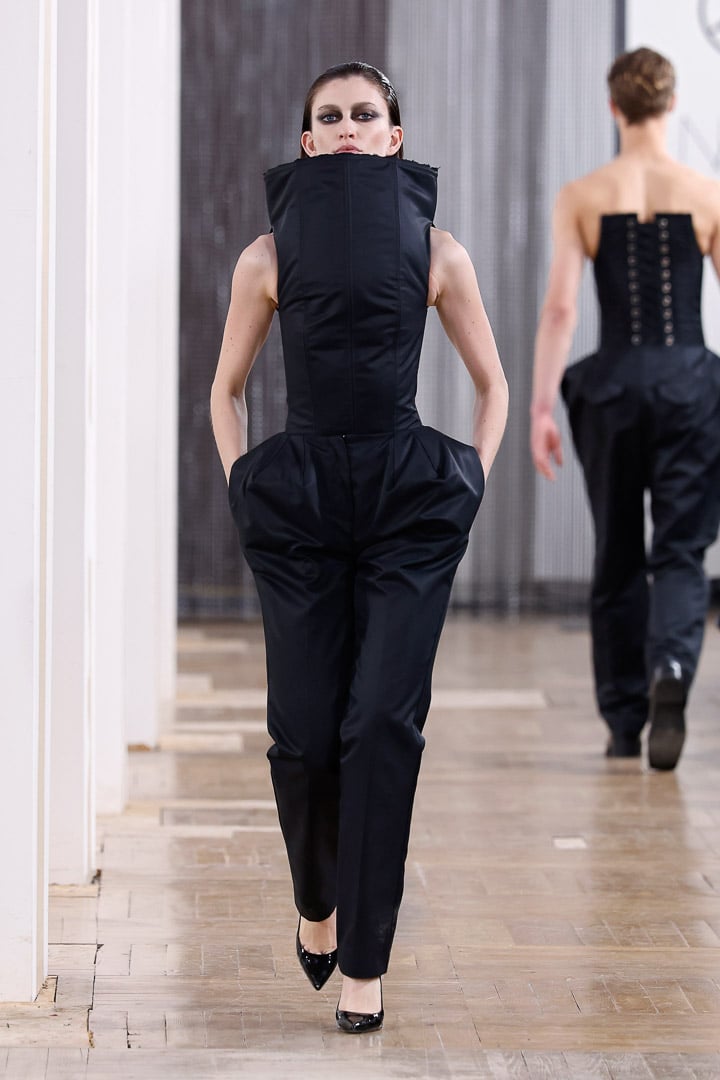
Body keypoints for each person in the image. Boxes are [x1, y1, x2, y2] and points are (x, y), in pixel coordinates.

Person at [210, 61, 508, 1032]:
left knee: (381, 724)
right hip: (299, 504)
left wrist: (469, 482)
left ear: (394, 138)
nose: (347, 126)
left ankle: (365, 964)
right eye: (329, 116)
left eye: (365, 114)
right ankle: (316, 903)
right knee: (302, 735)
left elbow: (493, 385)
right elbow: (225, 390)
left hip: (406, 503)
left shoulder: (436, 250)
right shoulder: (266, 257)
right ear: (307, 143)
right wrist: (244, 483)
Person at [530, 47, 720, 770]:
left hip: (610, 391)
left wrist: (542, 408)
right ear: (671, 105)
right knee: (680, 549)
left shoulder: (582, 195)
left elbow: (560, 311)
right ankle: (670, 665)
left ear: (614, 107)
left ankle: (622, 721)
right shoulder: (706, 194)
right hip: (691, 387)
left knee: (616, 553)